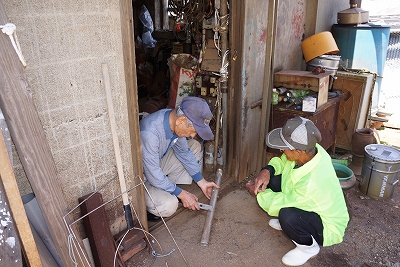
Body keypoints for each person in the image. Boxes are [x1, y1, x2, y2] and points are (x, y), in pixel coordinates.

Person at [246, 116, 349, 266]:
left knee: (287, 215)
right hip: (306, 201)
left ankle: (308, 248)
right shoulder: (313, 151)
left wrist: (258, 193)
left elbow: (279, 204)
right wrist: (267, 171)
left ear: (299, 151)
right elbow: (282, 161)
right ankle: (293, 224)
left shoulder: (312, 184)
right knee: (273, 180)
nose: (281, 150)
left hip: (328, 226)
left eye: (284, 148)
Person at [140, 96, 219, 221]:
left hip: (154, 164)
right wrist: (181, 194)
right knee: (170, 205)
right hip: (141, 177)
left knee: (193, 146)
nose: (193, 135)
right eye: (193, 130)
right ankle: (153, 205)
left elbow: (184, 152)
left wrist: (202, 182)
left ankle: (167, 187)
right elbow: (153, 174)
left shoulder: (172, 119)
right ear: (181, 120)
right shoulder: (150, 133)